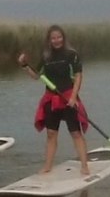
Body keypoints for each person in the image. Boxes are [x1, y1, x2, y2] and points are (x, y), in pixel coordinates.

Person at [17, 24, 89, 176]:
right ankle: (48, 166)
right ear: (49, 40)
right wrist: (24, 65)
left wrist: (74, 97)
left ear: (63, 38)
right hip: (51, 98)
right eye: (53, 38)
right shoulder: (46, 56)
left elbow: (78, 75)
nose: (56, 40)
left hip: (68, 97)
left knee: (75, 133)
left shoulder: (71, 54)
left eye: (59, 37)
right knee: (50, 133)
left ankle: (84, 166)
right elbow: (36, 76)